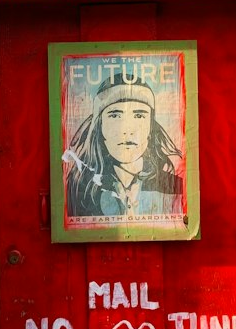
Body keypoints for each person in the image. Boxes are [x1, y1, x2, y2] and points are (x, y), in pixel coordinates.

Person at [63, 69, 184, 220]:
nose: (127, 129)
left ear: (151, 127)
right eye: (115, 115)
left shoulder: (176, 188)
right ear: (99, 126)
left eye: (139, 115)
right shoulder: (78, 190)